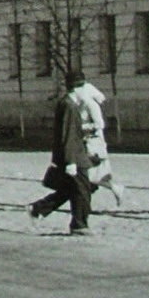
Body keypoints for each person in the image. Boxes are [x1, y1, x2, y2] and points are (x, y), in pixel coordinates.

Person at [29, 71, 96, 236]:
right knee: (83, 191)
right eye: (84, 88)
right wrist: (70, 161)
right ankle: (79, 225)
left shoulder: (68, 104)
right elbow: (67, 134)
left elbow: (70, 132)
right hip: (74, 157)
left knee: (70, 190)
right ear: (77, 89)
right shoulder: (69, 106)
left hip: (73, 155)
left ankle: (38, 208)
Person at [73, 79, 126, 207]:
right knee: (90, 175)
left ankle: (114, 188)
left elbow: (100, 124)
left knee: (90, 175)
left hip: (94, 144)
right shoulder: (80, 105)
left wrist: (82, 127)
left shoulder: (90, 104)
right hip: (86, 143)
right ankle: (85, 202)